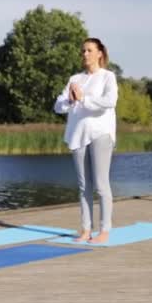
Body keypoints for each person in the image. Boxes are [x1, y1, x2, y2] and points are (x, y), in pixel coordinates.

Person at [54, 38, 117, 244]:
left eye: (89, 50)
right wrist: (70, 99)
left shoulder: (108, 76)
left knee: (100, 184)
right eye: (83, 51)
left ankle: (105, 230)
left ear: (100, 53)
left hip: (100, 133)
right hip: (77, 134)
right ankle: (85, 229)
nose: (85, 54)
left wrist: (83, 99)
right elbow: (58, 106)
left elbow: (109, 102)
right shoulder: (75, 78)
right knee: (83, 186)